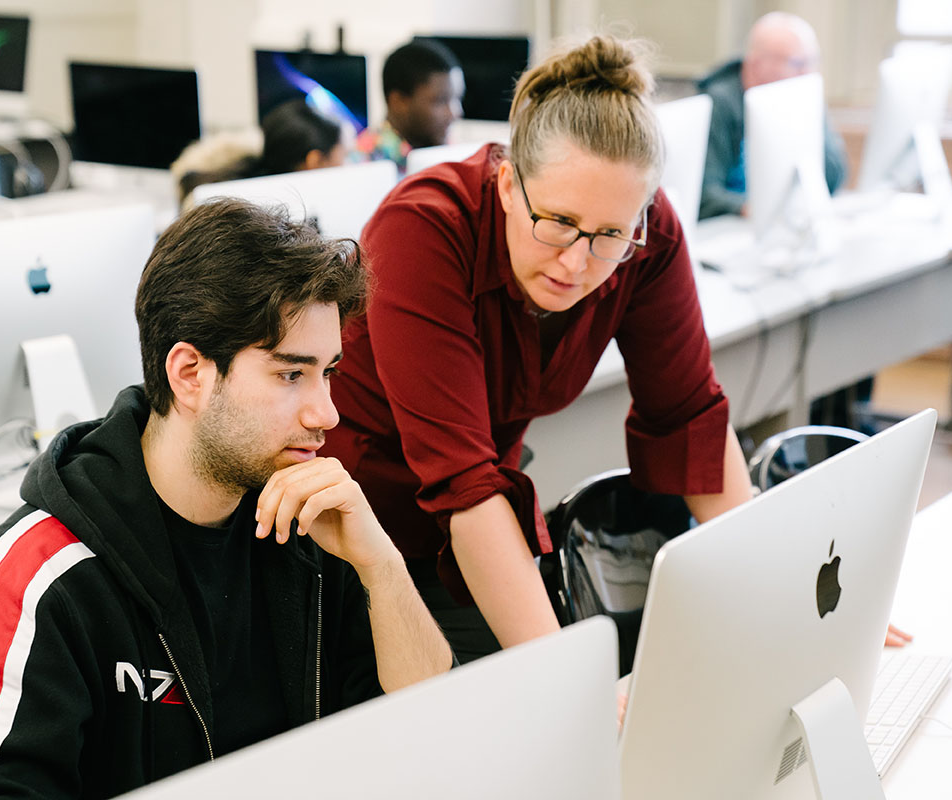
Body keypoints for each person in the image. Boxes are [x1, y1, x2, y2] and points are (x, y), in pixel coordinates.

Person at [0, 199, 452, 799]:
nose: (326, 412)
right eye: (289, 374)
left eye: (328, 372)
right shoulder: (43, 574)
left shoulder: (311, 524)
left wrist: (382, 568)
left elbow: (428, 735)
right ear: (190, 374)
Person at [321, 34, 755, 664]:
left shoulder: (647, 232)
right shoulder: (422, 229)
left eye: (610, 234)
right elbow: (464, 483)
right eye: (556, 222)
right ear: (505, 184)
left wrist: (783, 588)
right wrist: (568, 678)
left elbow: (688, 416)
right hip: (355, 534)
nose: (578, 262)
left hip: (475, 525)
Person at [697, 11, 847, 220]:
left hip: (779, 226)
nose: (807, 73)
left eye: (813, 62)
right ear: (757, 65)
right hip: (730, 228)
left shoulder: (799, 96)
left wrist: (808, 117)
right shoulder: (717, 104)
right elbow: (704, 195)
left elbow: (835, 177)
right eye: (797, 63)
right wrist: (753, 209)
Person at [172, 99, 349, 206]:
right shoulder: (274, 216)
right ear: (314, 161)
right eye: (343, 157)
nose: (346, 166)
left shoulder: (247, 181)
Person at [352, 40, 465, 171]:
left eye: (458, 98)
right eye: (440, 101)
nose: (455, 112)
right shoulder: (361, 164)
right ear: (398, 101)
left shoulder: (448, 151)